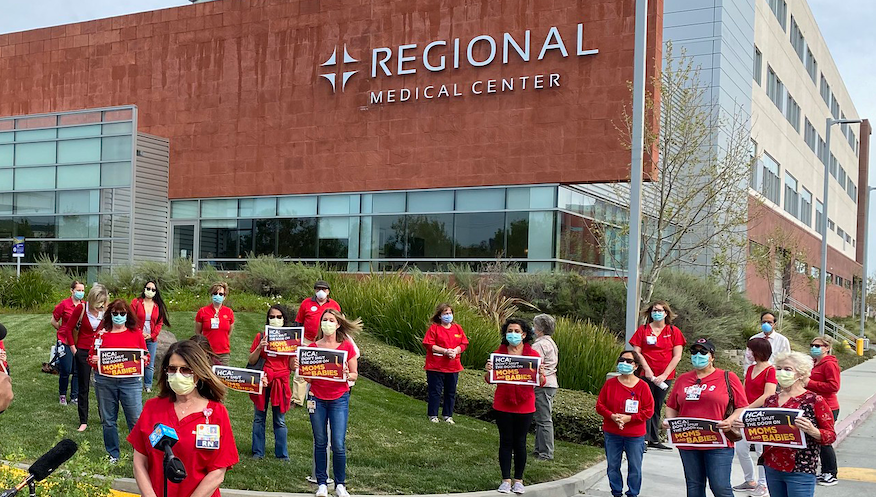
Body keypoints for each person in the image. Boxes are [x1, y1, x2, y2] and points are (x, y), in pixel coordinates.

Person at [128, 340, 239, 497]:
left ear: (199, 373)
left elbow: (217, 472)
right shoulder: (152, 408)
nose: (178, 375)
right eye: (172, 369)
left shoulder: (216, 413)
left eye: (186, 370)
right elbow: (139, 462)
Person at [734, 352, 837, 497]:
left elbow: (830, 436)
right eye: (779, 368)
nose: (781, 373)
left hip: (801, 468)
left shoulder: (814, 400)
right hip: (772, 466)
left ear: (801, 374)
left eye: (788, 369)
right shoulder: (770, 401)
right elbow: (764, 430)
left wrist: (812, 430)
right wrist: (746, 426)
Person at [664, 338, 748, 497]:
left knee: (720, 487)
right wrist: (670, 421)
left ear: (712, 357)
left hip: (718, 442)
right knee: (694, 486)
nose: (698, 355)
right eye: (694, 352)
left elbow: (742, 405)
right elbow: (672, 405)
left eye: (703, 352)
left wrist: (729, 421)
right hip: (688, 441)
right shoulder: (683, 379)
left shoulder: (728, 377)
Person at [293, 308, 360, 497]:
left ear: (338, 324)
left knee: (338, 443)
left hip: (339, 398)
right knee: (320, 441)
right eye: (325, 320)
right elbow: (308, 378)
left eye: (331, 320)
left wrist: (348, 374)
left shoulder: (346, 346)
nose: (327, 323)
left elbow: (355, 374)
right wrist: (301, 369)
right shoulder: (312, 348)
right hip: (317, 398)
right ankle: (321, 483)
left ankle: (340, 484)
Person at [484, 318, 547, 495]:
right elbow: (490, 380)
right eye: (510, 331)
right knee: (505, 441)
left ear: (524, 334)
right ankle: (505, 480)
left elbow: (540, 382)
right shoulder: (499, 354)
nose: (513, 334)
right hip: (503, 405)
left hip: (525, 406)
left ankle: (518, 480)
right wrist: (488, 371)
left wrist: (541, 374)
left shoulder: (533, 356)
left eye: (517, 331)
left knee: (520, 443)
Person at [88, 299, 147, 462]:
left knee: (135, 418)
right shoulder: (101, 335)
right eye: (115, 313)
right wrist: (93, 360)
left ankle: (141, 454)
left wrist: (143, 359)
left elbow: (146, 356)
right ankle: (113, 453)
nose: (119, 316)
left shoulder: (136, 334)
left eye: (122, 313)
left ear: (128, 315)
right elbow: (91, 357)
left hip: (131, 382)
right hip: (105, 382)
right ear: (110, 315)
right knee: (108, 420)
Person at [596, 350, 655, 497]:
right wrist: (612, 416)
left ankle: (632, 493)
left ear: (636, 366)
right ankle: (616, 492)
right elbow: (600, 405)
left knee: (635, 467)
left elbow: (649, 410)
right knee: (613, 466)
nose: (624, 364)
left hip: (635, 435)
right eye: (622, 360)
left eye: (629, 361)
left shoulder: (643, 386)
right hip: (612, 433)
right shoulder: (610, 384)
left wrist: (630, 418)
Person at [629, 300, 686, 450]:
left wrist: (664, 374)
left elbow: (677, 356)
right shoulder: (643, 329)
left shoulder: (674, 331)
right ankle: (643, 438)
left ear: (666, 313)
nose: (657, 313)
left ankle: (654, 437)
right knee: (644, 405)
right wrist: (647, 369)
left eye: (660, 310)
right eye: (654, 310)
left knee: (657, 405)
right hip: (645, 374)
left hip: (664, 376)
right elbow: (637, 352)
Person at [59, 283, 109, 432]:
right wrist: (74, 349)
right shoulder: (81, 308)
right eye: (98, 303)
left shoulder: (105, 311)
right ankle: (83, 420)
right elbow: (68, 329)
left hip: (100, 351)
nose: (100, 307)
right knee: (83, 386)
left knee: (104, 385)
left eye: (102, 304)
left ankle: (105, 417)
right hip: (83, 351)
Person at [249, 305, 294, 461]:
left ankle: (282, 454)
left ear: (284, 319)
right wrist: (260, 347)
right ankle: (257, 452)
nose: (275, 320)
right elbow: (252, 360)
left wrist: (295, 353)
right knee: (259, 417)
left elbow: (292, 366)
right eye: (272, 317)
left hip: (280, 381)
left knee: (280, 420)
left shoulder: (290, 339)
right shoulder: (261, 336)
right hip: (263, 379)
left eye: (279, 317)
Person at [733, 338, 777, 496]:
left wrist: (747, 407)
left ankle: (763, 484)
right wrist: (740, 407)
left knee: (761, 450)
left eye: (750, 350)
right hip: (746, 414)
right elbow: (744, 389)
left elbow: (769, 394)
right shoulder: (751, 369)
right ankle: (750, 480)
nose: (748, 353)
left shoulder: (770, 370)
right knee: (741, 448)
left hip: (761, 414)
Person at [293, 280, 341, 407]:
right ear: (314, 290)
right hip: (308, 340)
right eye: (318, 289)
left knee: (324, 369)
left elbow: (338, 323)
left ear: (328, 291)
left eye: (324, 289)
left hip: (326, 341)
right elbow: (299, 321)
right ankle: (297, 399)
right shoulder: (306, 303)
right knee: (301, 369)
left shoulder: (334, 305)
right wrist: (298, 340)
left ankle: (322, 397)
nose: (321, 291)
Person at [422, 303, 469, 424]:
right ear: (439, 316)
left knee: (451, 392)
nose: (448, 316)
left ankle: (447, 415)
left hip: (453, 366)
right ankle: (433, 414)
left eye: (450, 313)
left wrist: (456, 351)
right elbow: (429, 344)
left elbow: (463, 343)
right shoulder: (434, 328)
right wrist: (445, 351)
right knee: (435, 391)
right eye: (445, 313)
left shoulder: (457, 328)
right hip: (436, 366)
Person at [805, 335, 840, 486]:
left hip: (828, 407)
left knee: (824, 440)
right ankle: (824, 471)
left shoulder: (829, 365)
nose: (814, 348)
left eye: (818, 346)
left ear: (827, 348)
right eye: (812, 345)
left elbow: (834, 387)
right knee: (817, 440)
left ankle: (831, 473)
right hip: (813, 405)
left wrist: (810, 383)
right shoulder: (813, 363)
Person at [131, 280, 171, 393]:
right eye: (148, 288)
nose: (150, 291)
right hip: (137, 337)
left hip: (151, 339)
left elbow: (159, 323)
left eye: (153, 290)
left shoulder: (157, 306)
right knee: (136, 360)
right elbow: (131, 319)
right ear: (144, 289)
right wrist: (139, 332)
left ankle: (147, 385)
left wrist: (152, 335)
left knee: (150, 363)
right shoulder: (136, 302)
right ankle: (136, 382)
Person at [51, 280, 86, 406]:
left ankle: (74, 396)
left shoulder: (84, 306)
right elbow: (54, 320)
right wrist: (61, 330)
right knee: (66, 369)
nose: (81, 293)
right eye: (78, 290)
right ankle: (62, 394)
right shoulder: (64, 304)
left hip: (78, 341)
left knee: (77, 370)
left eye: (82, 291)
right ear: (72, 291)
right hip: (65, 341)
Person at [531, 313, 559, 460]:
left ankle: (546, 453)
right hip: (550, 383)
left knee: (544, 419)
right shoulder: (551, 343)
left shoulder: (539, 345)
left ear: (539, 328)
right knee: (541, 418)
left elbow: (534, 365)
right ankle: (538, 449)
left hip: (543, 383)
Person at [195, 283, 235, 366]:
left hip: (223, 353)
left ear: (224, 297)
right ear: (211, 295)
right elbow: (198, 332)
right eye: (215, 293)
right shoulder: (202, 311)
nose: (218, 296)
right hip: (207, 352)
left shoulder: (229, 312)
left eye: (221, 294)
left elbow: (229, 332)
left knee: (222, 378)